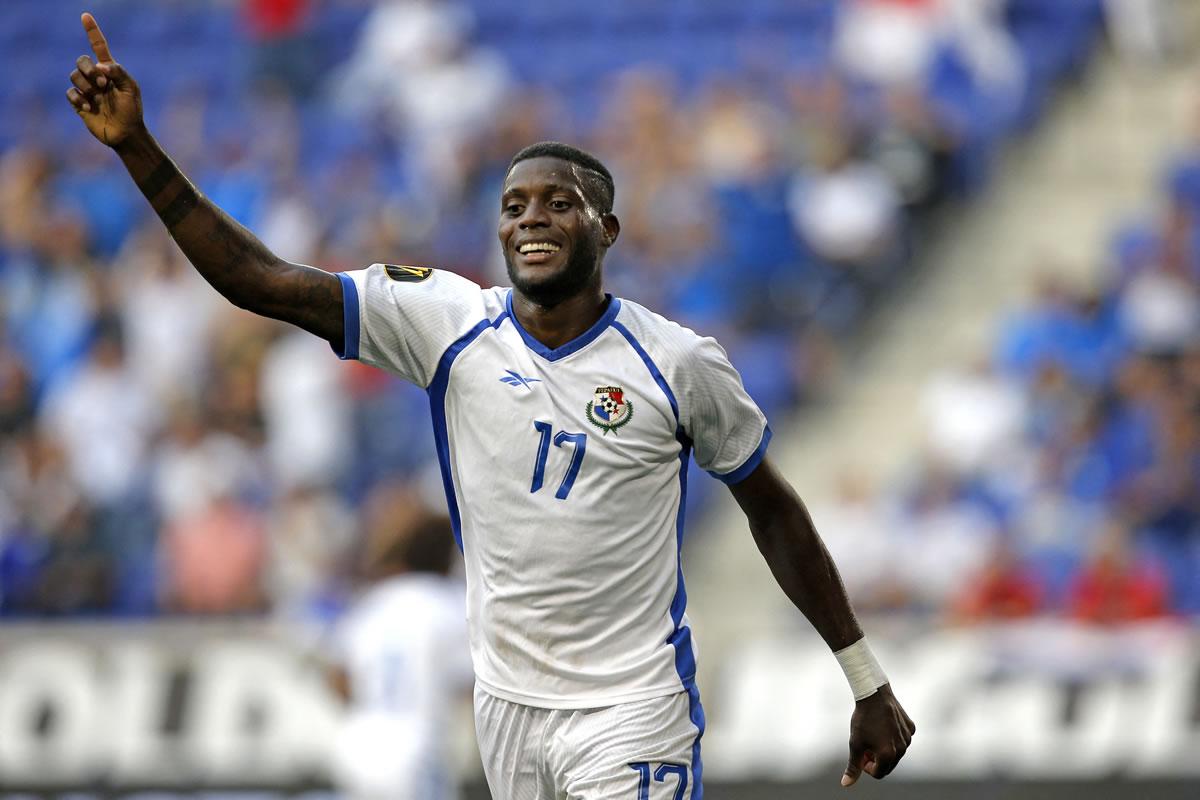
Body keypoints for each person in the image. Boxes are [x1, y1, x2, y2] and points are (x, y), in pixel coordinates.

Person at [65, 12, 915, 796]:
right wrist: (138, 148)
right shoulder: (446, 322)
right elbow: (260, 281)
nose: (531, 219)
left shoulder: (677, 363)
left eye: (559, 202)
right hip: (507, 711)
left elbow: (773, 511)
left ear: (608, 230)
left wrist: (865, 677)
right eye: (514, 206)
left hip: (632, 707)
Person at [327, 509, 471, 800]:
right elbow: (474, 679)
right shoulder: (450, 603)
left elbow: (337, 676)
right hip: (420, 747)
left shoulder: (374, 600)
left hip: (361, 742)